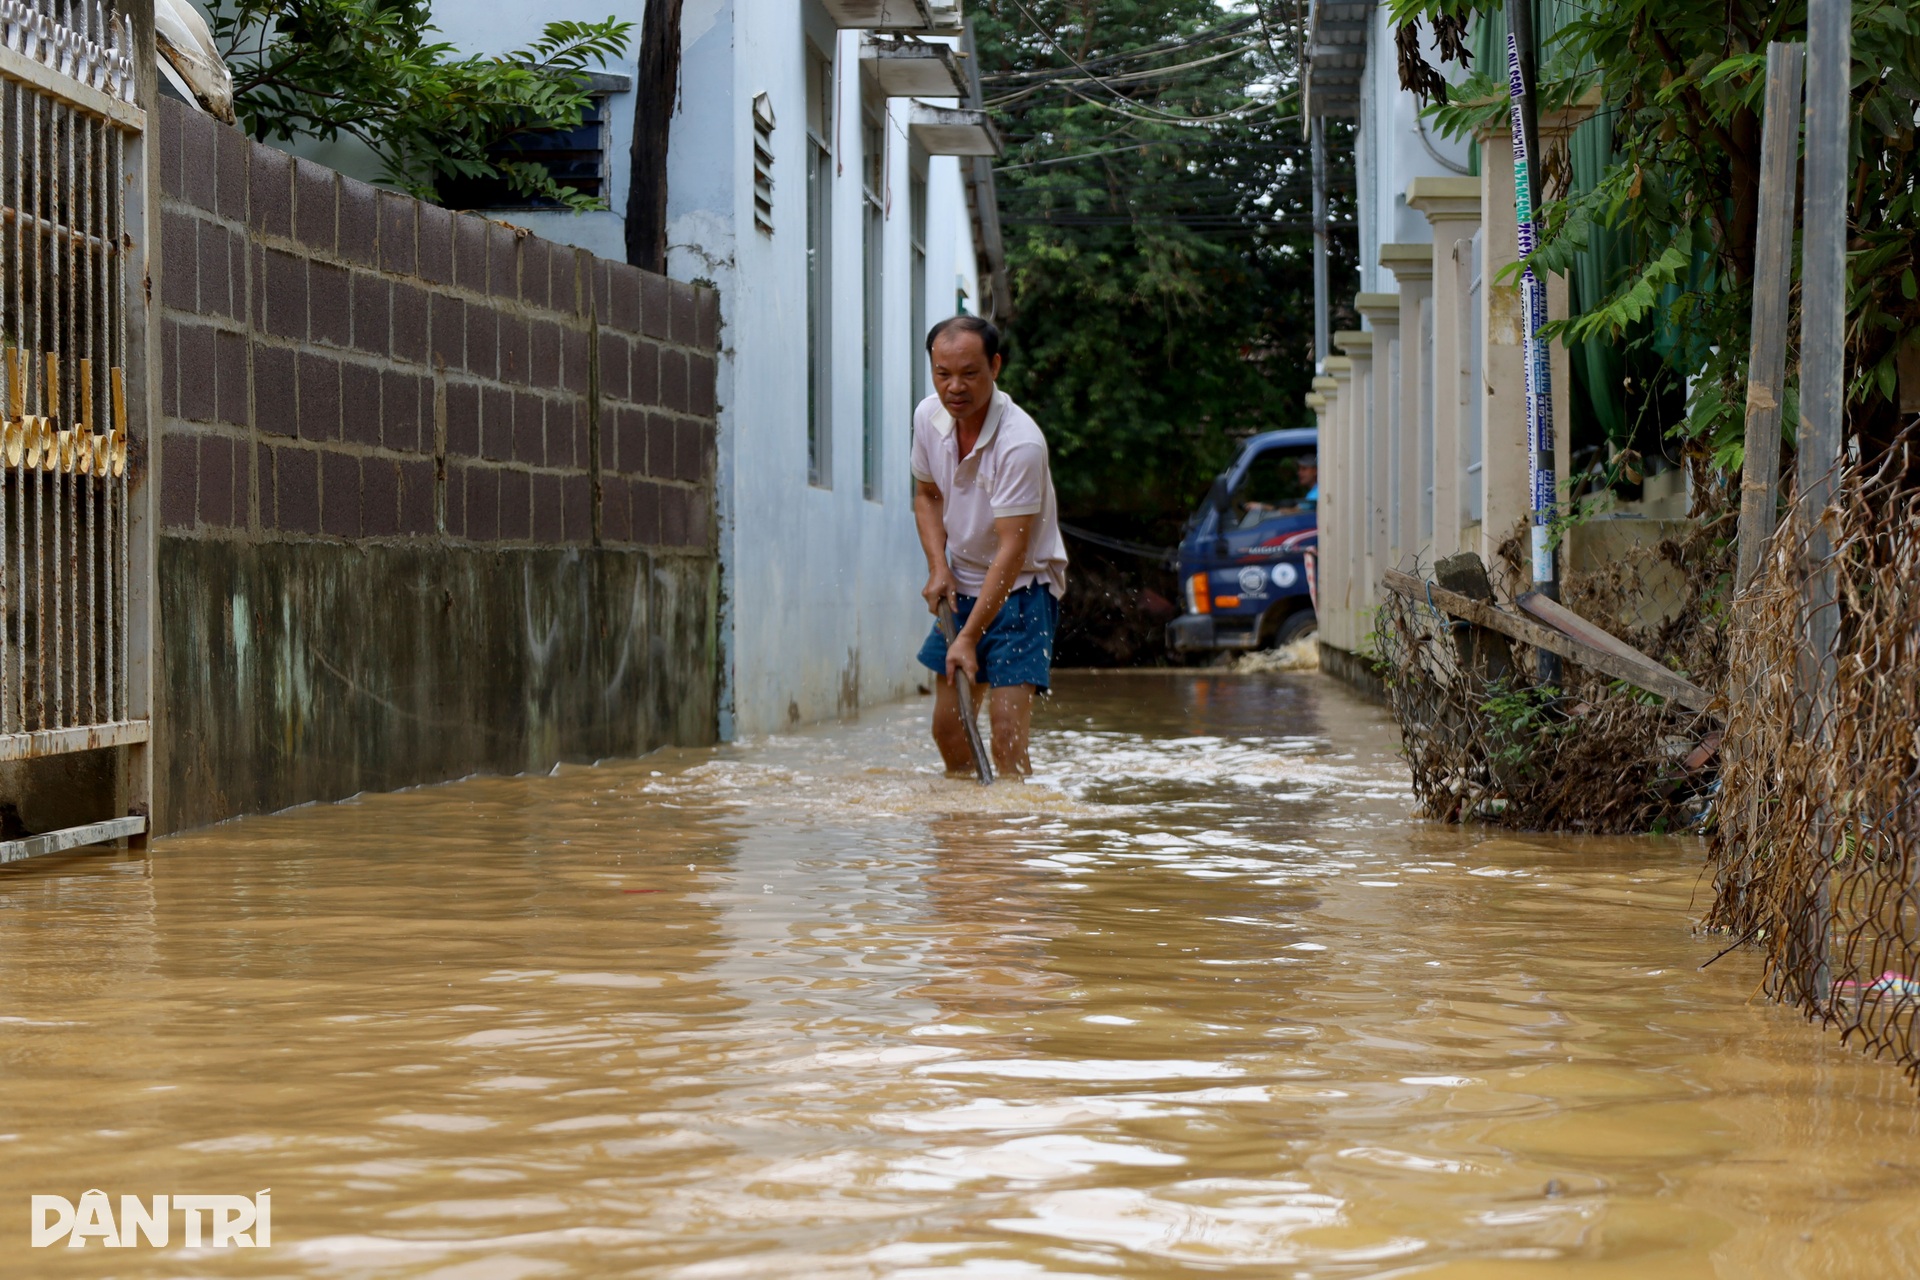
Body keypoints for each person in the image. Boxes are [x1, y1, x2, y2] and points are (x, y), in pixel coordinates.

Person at [911, 316, 1068, 778]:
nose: (954, 387)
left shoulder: (1020, 444)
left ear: (995, 367)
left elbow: (1012, 551)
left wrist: (968, 637)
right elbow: (927, 495)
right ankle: (967, 821)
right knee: (949, 730)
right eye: (943, 374)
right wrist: (938, 567)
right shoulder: (928, 417)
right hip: (961, 583)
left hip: (1023, 590)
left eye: (969, 373)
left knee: (1005, 736)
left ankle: (1015, 821)